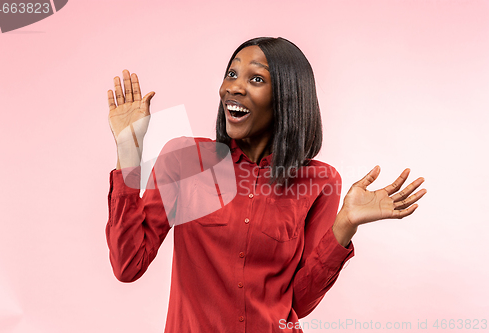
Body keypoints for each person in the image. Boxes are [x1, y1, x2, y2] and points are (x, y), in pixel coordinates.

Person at [106, 37, 426, 332]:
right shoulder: (187, 160)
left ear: (287, 97)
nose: (234, 88)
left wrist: (345, 225)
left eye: (255, 79)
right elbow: (128, 264)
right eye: (231, 75)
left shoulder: (320, 181)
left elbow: (299, 302)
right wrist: (128, 150)